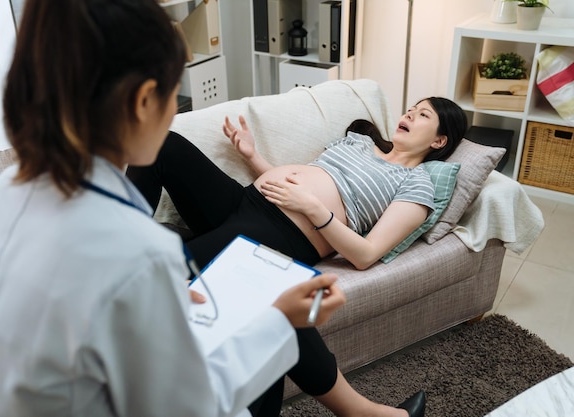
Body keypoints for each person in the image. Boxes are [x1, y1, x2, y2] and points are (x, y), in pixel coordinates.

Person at [0, 1, 347, 416]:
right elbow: (196, 404)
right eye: (172, 92)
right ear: (144, 101)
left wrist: (152, 304)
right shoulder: (140, 253)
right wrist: (276, 319)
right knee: (264, 351)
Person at [125, 96, 467, 417]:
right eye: (411, 108)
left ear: (439, 141)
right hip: (244, 201)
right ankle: (121, 245)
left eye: (423, 115)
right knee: (162, 144)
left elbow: (366, 254)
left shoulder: (417, 183)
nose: (408, 114)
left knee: (162, 275)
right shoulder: (360, 141)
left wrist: (314, 209)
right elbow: (294, 182)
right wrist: (252, 156)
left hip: (280, 234)